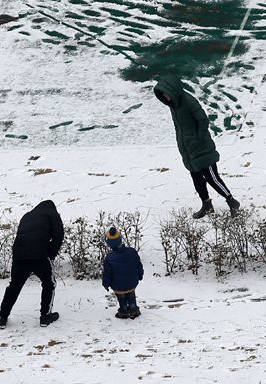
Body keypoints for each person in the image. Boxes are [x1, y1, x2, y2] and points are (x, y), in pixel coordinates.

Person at [153, 75, 240, 219]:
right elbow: (179, 127)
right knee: (197, 180)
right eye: (163, 95)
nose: (166, 97)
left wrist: (198, 138)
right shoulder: (173, 105)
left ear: (173, 91)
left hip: (202, 148)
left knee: (212, 178)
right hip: (189, 150)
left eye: (166, 94)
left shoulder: (189, 101)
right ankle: (207, 205)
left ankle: (232, 201)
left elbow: (203, 121)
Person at [0, 200, 64, 329]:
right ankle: (45, 316)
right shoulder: (52, 213)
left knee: (14, 286)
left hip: (19, 255)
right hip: (39, 255)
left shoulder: (27, 215)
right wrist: (51, 254)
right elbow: (59, 235)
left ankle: (2, 317)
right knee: (49, 283)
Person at [102, 227, 144, 319]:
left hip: (118, 286)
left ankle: (124, 312)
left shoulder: (109, 258)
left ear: (109, 244)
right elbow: (138, 265)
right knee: (131, 297)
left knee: (122, 299)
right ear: (120, 239)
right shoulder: (132, 252)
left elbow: (107, 274)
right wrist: (140, 275)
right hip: (132, 283)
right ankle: (134, 311)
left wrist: (106, 284)